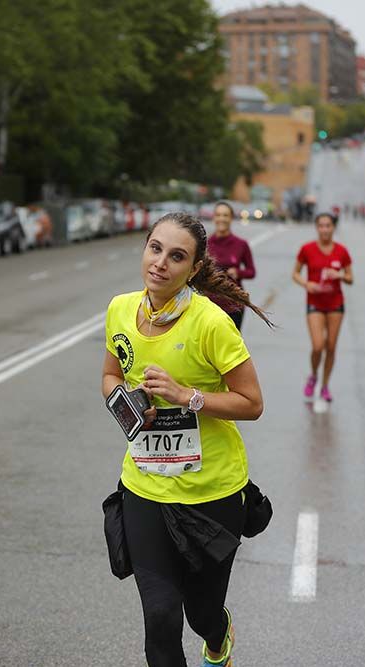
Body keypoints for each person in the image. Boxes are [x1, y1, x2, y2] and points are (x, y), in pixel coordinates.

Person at [101, 212, 267, 667]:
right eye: (155, 248)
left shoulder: (211, 323)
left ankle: (217, 634)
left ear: (193, 269)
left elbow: (252, 402)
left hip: (211, 492)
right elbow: (111, 375)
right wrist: (126, 404)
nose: (160, 263)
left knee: (201, 613)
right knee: (160, 617)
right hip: (145, 486)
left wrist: (186, 396)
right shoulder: (120, 310)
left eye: (176, 257)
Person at [292, 213, 353, 410]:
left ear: (333, 228)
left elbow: (351, 278)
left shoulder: (342, 251)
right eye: (321, 226)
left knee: (331, 347)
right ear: (317, 228)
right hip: (315, 303)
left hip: (335, 304)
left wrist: (339, 275)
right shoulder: (307, 249)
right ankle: (313, 376)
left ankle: (325, 385)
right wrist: (307, 284)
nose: (325, 229)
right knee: (318, 346)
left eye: (328, 226)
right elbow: (295, 273)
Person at [207, 201, 257, 331]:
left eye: (225, 215)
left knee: (231, 342)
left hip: (234, 304)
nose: (221, 219)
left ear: (231, 218)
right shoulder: (205, 244)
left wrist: (238, 272)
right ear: (213, 218)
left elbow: (251, 271)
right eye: (218, 215)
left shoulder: (241, 244)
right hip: (208, 304)